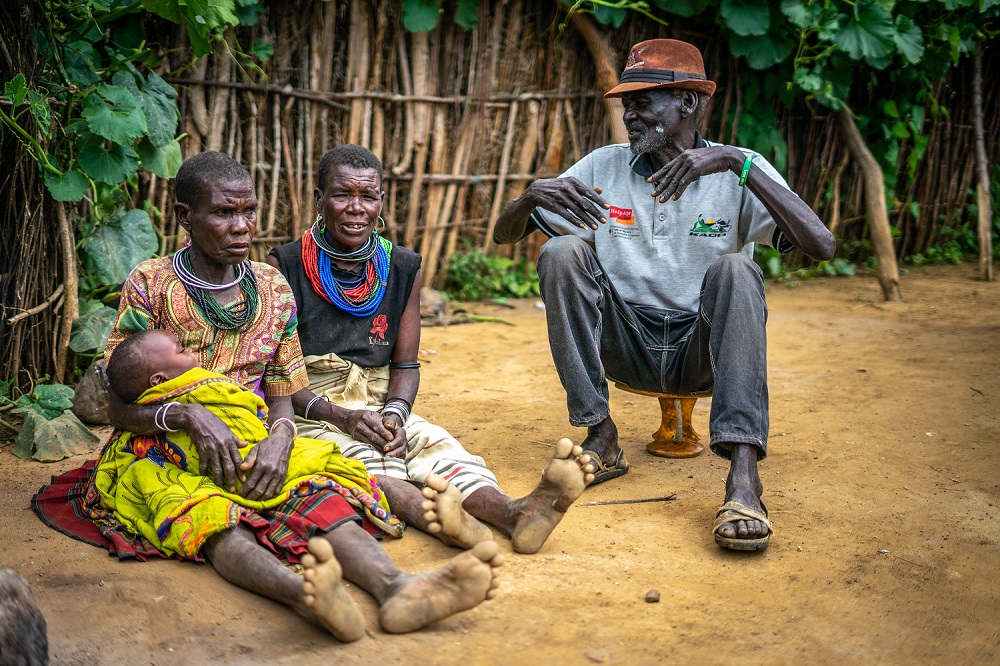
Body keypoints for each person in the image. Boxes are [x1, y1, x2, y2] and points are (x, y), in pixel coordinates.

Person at [33, 152, 501, 640]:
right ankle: (304, 597)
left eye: (248, 211)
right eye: (223, 213)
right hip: (161, 448)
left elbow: (283, 389)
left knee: (323, 495)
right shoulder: (151, 284)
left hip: (254, 436)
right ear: (184, 217)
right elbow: (116, 405)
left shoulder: (273, 288)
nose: (241, 226)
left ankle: (396, 587)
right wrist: (185, 417)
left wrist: (280, 438)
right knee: (213, 520)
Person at [492, 39, 836, 551]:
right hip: (625, 342)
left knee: (737, 270)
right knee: (561, 253)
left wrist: (736, 164)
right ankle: (601, 436)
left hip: (703, 351)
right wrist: (528, 198)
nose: (629, 115)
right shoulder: (602, 168)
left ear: (689, 104)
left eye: (642, 103)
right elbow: (504, 236)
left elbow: (822, 245)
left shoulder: (739, 169)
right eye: (626, 104)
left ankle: (743, 479)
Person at [269, 145, 595, 555]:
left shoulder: (402, 265)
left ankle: (514, 513)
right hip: (311, 406)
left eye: (368, 197)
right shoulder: (284, 266)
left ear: (381, 202)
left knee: (437, 447)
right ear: (319, 199)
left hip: (380, 399)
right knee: (357, 464)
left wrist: (394, 414)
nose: (356, 208)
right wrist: (344, 417)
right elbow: (278, 374)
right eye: (341, 195)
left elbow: (405, 365)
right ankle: (439, 521)